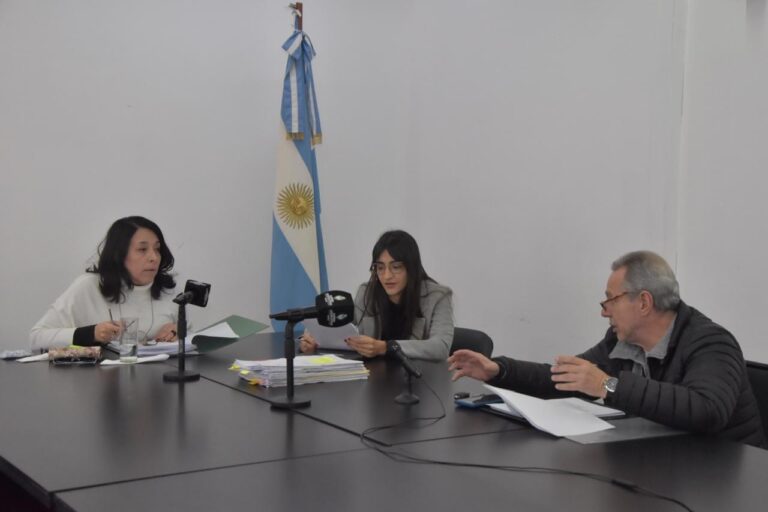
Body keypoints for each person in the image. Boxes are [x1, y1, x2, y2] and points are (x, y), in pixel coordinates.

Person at [448, 250, 766, 447]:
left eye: (610, 300)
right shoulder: (620, 341)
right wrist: (499, 370)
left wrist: (607, 385)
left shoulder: (711, 343)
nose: (604, 312)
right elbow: (566, 377)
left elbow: (707, 410)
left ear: (644, 302)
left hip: (726, 481)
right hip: (666, 463)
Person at [30, 216, 180, 351]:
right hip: (101, 373)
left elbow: (191, 339)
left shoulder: (169, 291)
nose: (154, 257)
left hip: (159, 373)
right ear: (119, 254)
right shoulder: (88, 286)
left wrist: (178, 332)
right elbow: (37, 338)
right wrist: (91, 333)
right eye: (142, 249)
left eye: (157, 249)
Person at [300, 230, 454, 361]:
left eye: (396, 267)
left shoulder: (437, 297)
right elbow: (343, 331)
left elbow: (440, 347)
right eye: (380, 268)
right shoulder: (367, 293)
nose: (387, 276)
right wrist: (313, 340)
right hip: (374, 379)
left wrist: (386, 347)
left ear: (412, 268)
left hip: (421, 380)